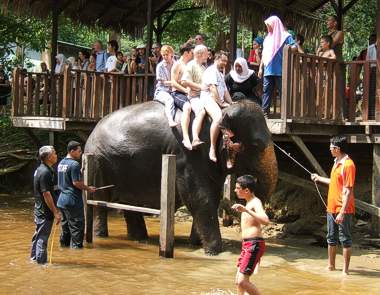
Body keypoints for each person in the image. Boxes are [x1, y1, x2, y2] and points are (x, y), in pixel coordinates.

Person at [311, 136, 355, 275]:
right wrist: (318, 178)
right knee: (330, 237)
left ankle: (345, 271)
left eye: (331, 148)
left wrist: (342, 212)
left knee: (345, 239)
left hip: (344, 209)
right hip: (331, 207)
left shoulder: (348, 165)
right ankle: (331, 266)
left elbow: (348, 190)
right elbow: (334, 182)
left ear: (337, 149)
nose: (329, 150)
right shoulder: (336, 162)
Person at [232, 175, 269, 295]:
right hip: (247, 245)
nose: (235, 190)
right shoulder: (247, 204)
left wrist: (247, 210)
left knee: (243, 282)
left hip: (254, 244)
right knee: (238, 281)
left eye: (237, 188)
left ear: (246, 190)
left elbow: (265, 220)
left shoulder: (255, 202)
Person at [57, 141, 96, 249]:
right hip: (72, 200)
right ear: (72, 151)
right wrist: (88, 188)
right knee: (77, 229)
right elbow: (76, 183)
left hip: (61, 200)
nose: (80, 153)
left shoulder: (61, 163)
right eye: (79, 151)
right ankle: (77, 253)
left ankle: (64, 249)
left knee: (65, 228)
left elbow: (63, 181)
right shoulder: (74, 164)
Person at [258, 15, 296, 117]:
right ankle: (264, 112)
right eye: (267, 25)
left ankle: (286, 113)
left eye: (269, 25)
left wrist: (288, 48)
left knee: (282, 91)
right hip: (268, 69)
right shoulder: (267, 38)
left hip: (281, 69)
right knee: (266, 91)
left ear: (275, 24)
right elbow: (264, 54)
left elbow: (294, 47)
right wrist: (260, 68)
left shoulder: (285, 36)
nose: (268, 27)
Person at [30, 146, 61, 264]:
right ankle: (41, 264)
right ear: (48, 157)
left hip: (39, 209)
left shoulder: (40, 169)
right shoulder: (45, 172)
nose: (56, 155)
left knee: (38, 235)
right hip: (44, 212)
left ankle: (33, 259)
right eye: (54, 153)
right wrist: (55, 212)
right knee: (42, 239)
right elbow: (46, 194)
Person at [200, 50, 233, 162]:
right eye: (223, 60)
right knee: (218, 118)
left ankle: (228, 143)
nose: (225, 63)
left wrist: (231, 103)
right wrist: (221, 103)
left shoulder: (220, 73)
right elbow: (213, 89)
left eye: (226, 61)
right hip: (208, 99)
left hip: (218, 100)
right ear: (216, 59)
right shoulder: (211, 71)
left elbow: (225, 91)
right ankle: (212, 148)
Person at [182, 44, 208, 149]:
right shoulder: (191, 65)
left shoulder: (203, 67)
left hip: (204, 96)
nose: (208, 55)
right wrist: (200, 87)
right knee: (201, 111)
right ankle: (195, 138)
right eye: (206, 53)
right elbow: (184, 81)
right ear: (199, 54)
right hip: (194, 96)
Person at [171, 42, 194, 150]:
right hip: (178, 93)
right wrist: (185, 90)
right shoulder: (178, 64)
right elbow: (173, 82)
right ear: (186, 53)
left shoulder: (189, 64)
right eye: (191, 52)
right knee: (187, 107)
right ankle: (185, 137)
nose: (193, 54)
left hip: (189, 92)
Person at [153, 45, 177, 127]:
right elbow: (163, 82)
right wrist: (176, 83)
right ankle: (170, 120)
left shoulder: (176, 64)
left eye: (167, 54)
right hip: (162, 90)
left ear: (172, 54)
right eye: (163, 55)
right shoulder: (160, 66)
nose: (165, 57)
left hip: (175, 90)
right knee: (169, 100)